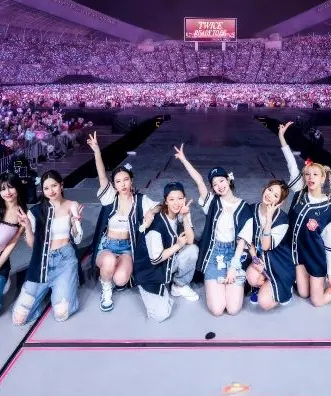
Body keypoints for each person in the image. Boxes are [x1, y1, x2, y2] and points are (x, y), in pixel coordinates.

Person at [278, 122, 331, 306]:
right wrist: (282, 137)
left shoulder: (330, 208)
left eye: (315, 175)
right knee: (303, 293)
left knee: (317, 301)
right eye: (308, 174)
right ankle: (318, 282)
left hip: (316, 256)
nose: (310, 178)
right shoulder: (298, 192)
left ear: (323, 179)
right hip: (298, 255)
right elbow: (290, 163)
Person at [174, 143, 253, 316]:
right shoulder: (212, 203)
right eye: (215, 183)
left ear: (228, 180)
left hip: (234, 255)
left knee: (233, 309)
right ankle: (220, 285)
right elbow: (199, 181)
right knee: (217, 310)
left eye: (221, 180)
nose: (219, 185)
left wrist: (233, 266)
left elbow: (242, 241)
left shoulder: (244, 207)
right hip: (214, 255)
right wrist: (184, 159)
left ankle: (232, 283)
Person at [87, 131, 160, 312]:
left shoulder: (140, 200)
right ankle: (105, 287)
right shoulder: (110, 197)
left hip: (127, 247)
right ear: (114, 185)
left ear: (131, 180)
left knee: (120, 280)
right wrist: (97, 151)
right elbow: (102, 175)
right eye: (118, 181)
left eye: (126, 180)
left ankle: (110, 275)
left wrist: (151, 211)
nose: (123, 184)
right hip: (107, 245)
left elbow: (160, 205)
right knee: (109, 262)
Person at [12, 170, 83, 324]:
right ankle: (46, 295)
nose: (51, 191)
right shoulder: (36, 212)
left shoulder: (72, 205)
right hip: (41, 263)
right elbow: (33, 246)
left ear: (61, 185)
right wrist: (29, 227)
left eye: (54, 186)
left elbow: (77, 240)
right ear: (42, 190)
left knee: (61, 314)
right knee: (18, 319)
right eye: (46, 188)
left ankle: (65, 292)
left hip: (65, 260)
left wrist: (75, 225)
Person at [136, 181, 199, 322]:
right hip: (150, 271)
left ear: (184, 198)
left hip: (168, 263)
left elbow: (189, 240)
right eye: (172, 199)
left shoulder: (180, 213)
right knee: (160, 315)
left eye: (180, 198)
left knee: (192, 250)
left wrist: (186, 217)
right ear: (165, 201)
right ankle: (159, 290)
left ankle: (178, 285)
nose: (176, 203)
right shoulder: (156, 224)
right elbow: (155, 259)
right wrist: (177, 246)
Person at [246, 178, 295, 310]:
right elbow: (247, 239)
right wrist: (255, 259)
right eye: (270, 189)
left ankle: (286, 289)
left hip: (279, 263)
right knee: (251, 277)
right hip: (261, 260)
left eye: (275, 195)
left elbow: (266, 246)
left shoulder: (282, 219)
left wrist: (268, 219)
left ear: (280, 202)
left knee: (264, 303)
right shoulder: (251, 209)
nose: (269, 195)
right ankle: (264, 286)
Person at [0, 173, 26, 313]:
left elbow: (11, 245)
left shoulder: (22, 214)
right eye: (3, 189)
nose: (7, 192)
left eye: (11, 187)